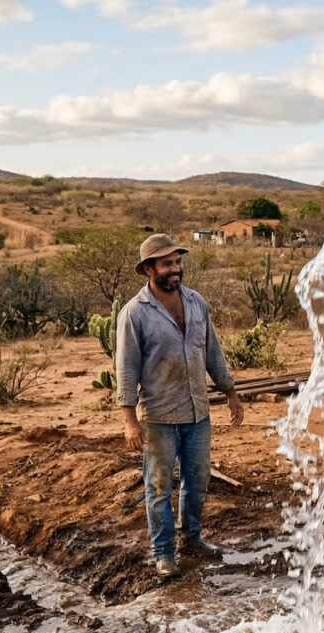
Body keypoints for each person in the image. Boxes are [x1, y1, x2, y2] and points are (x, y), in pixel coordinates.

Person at [115, 233, 244, 578]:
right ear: (148, 269)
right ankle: (163, 553)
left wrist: (230, 391)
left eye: (178, 262)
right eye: (167, 263)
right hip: (158, 416)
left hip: (198, 412)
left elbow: (212, 350)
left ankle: (192, 540)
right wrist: (129, 420)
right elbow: (126, 368)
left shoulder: (195, 302)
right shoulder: (134, 314)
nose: (176, 269)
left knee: (197, 479)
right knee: (159, 487)